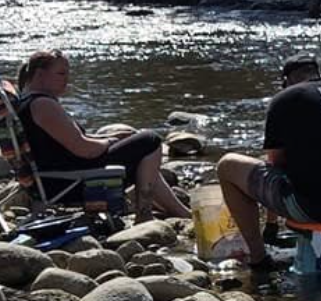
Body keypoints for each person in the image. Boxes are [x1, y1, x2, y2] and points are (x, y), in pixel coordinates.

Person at [216, 55, 321, 269]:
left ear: (286, 80)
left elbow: (275, 164)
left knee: (227, 166)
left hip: (312, 209)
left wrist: (271, 224)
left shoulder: (284, 99)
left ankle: (258, 258)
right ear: (317, 74)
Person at [15, 50, 190, 222]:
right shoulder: (43, 104)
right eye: (61, 73)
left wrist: (112, 138)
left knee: (140, 151)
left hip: (56, 177)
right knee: (149, 140)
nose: (67, 79)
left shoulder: (28, 103)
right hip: (69, 183)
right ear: (39, 74)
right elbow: (86, 150)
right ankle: (144, 213)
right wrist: (111, 141)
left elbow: (64, 142)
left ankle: (181, 213)